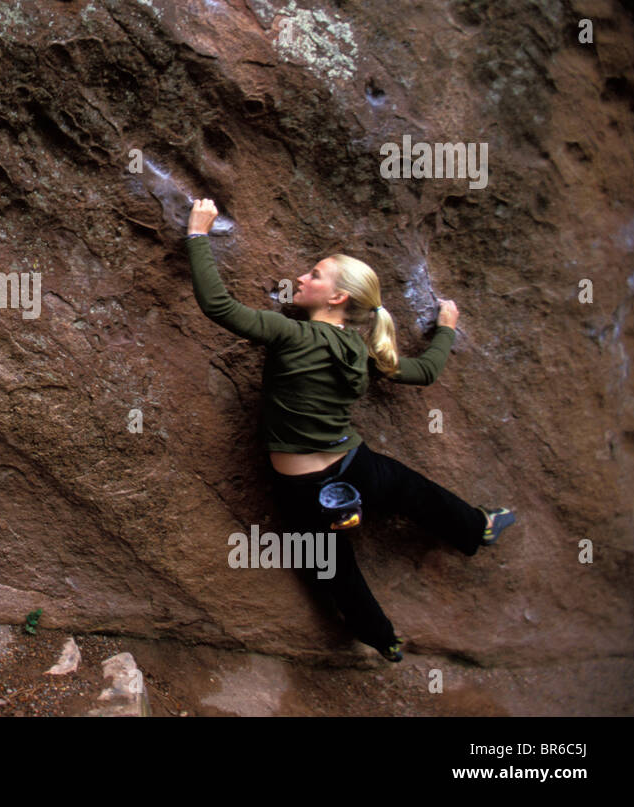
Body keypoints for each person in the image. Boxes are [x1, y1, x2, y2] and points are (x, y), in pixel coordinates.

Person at [184, 198, 515, 661]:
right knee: (419, 494)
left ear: (337, 297)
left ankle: (384, 639)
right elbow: (424, 373)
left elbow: (218, 305)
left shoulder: (289, 333)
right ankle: (476, 528)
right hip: (355, 464)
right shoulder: (361, 351)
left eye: (314, 274)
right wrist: (447, 329)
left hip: (301, 486)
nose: (301, 277)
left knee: (333, 569)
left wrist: (198, 233)